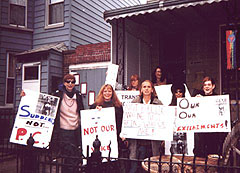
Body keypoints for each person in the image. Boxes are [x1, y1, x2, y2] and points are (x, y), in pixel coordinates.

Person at [128, 80, 163, 173]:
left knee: (153, 168)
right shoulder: (134, 102)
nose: (146, 89)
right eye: (144, 87)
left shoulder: (158, 103)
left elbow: (163, 121)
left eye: (148, 87)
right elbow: (129, 119)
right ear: (141, 89)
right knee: (135, 169)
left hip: (153, 144)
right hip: (138, 144)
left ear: (152, 89)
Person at [53, 74, 84, 172]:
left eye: (72, 82)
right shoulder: (58, 94)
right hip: (64, 130)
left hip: (76, 129)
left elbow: (82, 110)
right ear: (64, 83)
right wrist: (26, 96)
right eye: (68, 82)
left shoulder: (78, 95)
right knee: (67, 155)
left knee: (75, 155)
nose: (70, 84)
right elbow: (45, 101)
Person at [193, 76, 226, 157]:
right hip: (202, 131)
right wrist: (195, 100)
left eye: (209, 85)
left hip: (213, 132)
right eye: (205, 85)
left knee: (212, 152)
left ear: (213, 86)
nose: (207, 87)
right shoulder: (199, 97)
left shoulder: (217, 98)